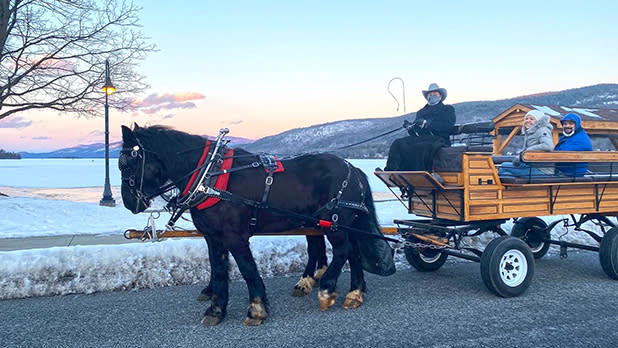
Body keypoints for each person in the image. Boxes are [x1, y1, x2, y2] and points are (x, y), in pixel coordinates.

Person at [383, 83, 456, 171]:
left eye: (435, 94)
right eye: (430, 94)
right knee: (398, 143)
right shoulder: (421, 112)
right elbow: (416, 133)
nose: (432, 96)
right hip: (422, 138)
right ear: (427, 97)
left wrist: (427, 123)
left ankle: (420, 173)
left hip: (439, 139)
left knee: (421, 147)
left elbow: (447, 126)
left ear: (440, 96)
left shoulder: (447, 109)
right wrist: (410, 128)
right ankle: (392, 170)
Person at [498, 110, 554, 177]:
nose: (528, 121)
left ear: (538, 121)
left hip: (542, 170)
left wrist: (528, 150)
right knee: (505, 174)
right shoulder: (530, 133)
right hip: (530, 166)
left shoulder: (542, 130)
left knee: (504, 166)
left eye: (531, 119)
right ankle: (508, 187)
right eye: (526, 119)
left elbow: (548, 146)